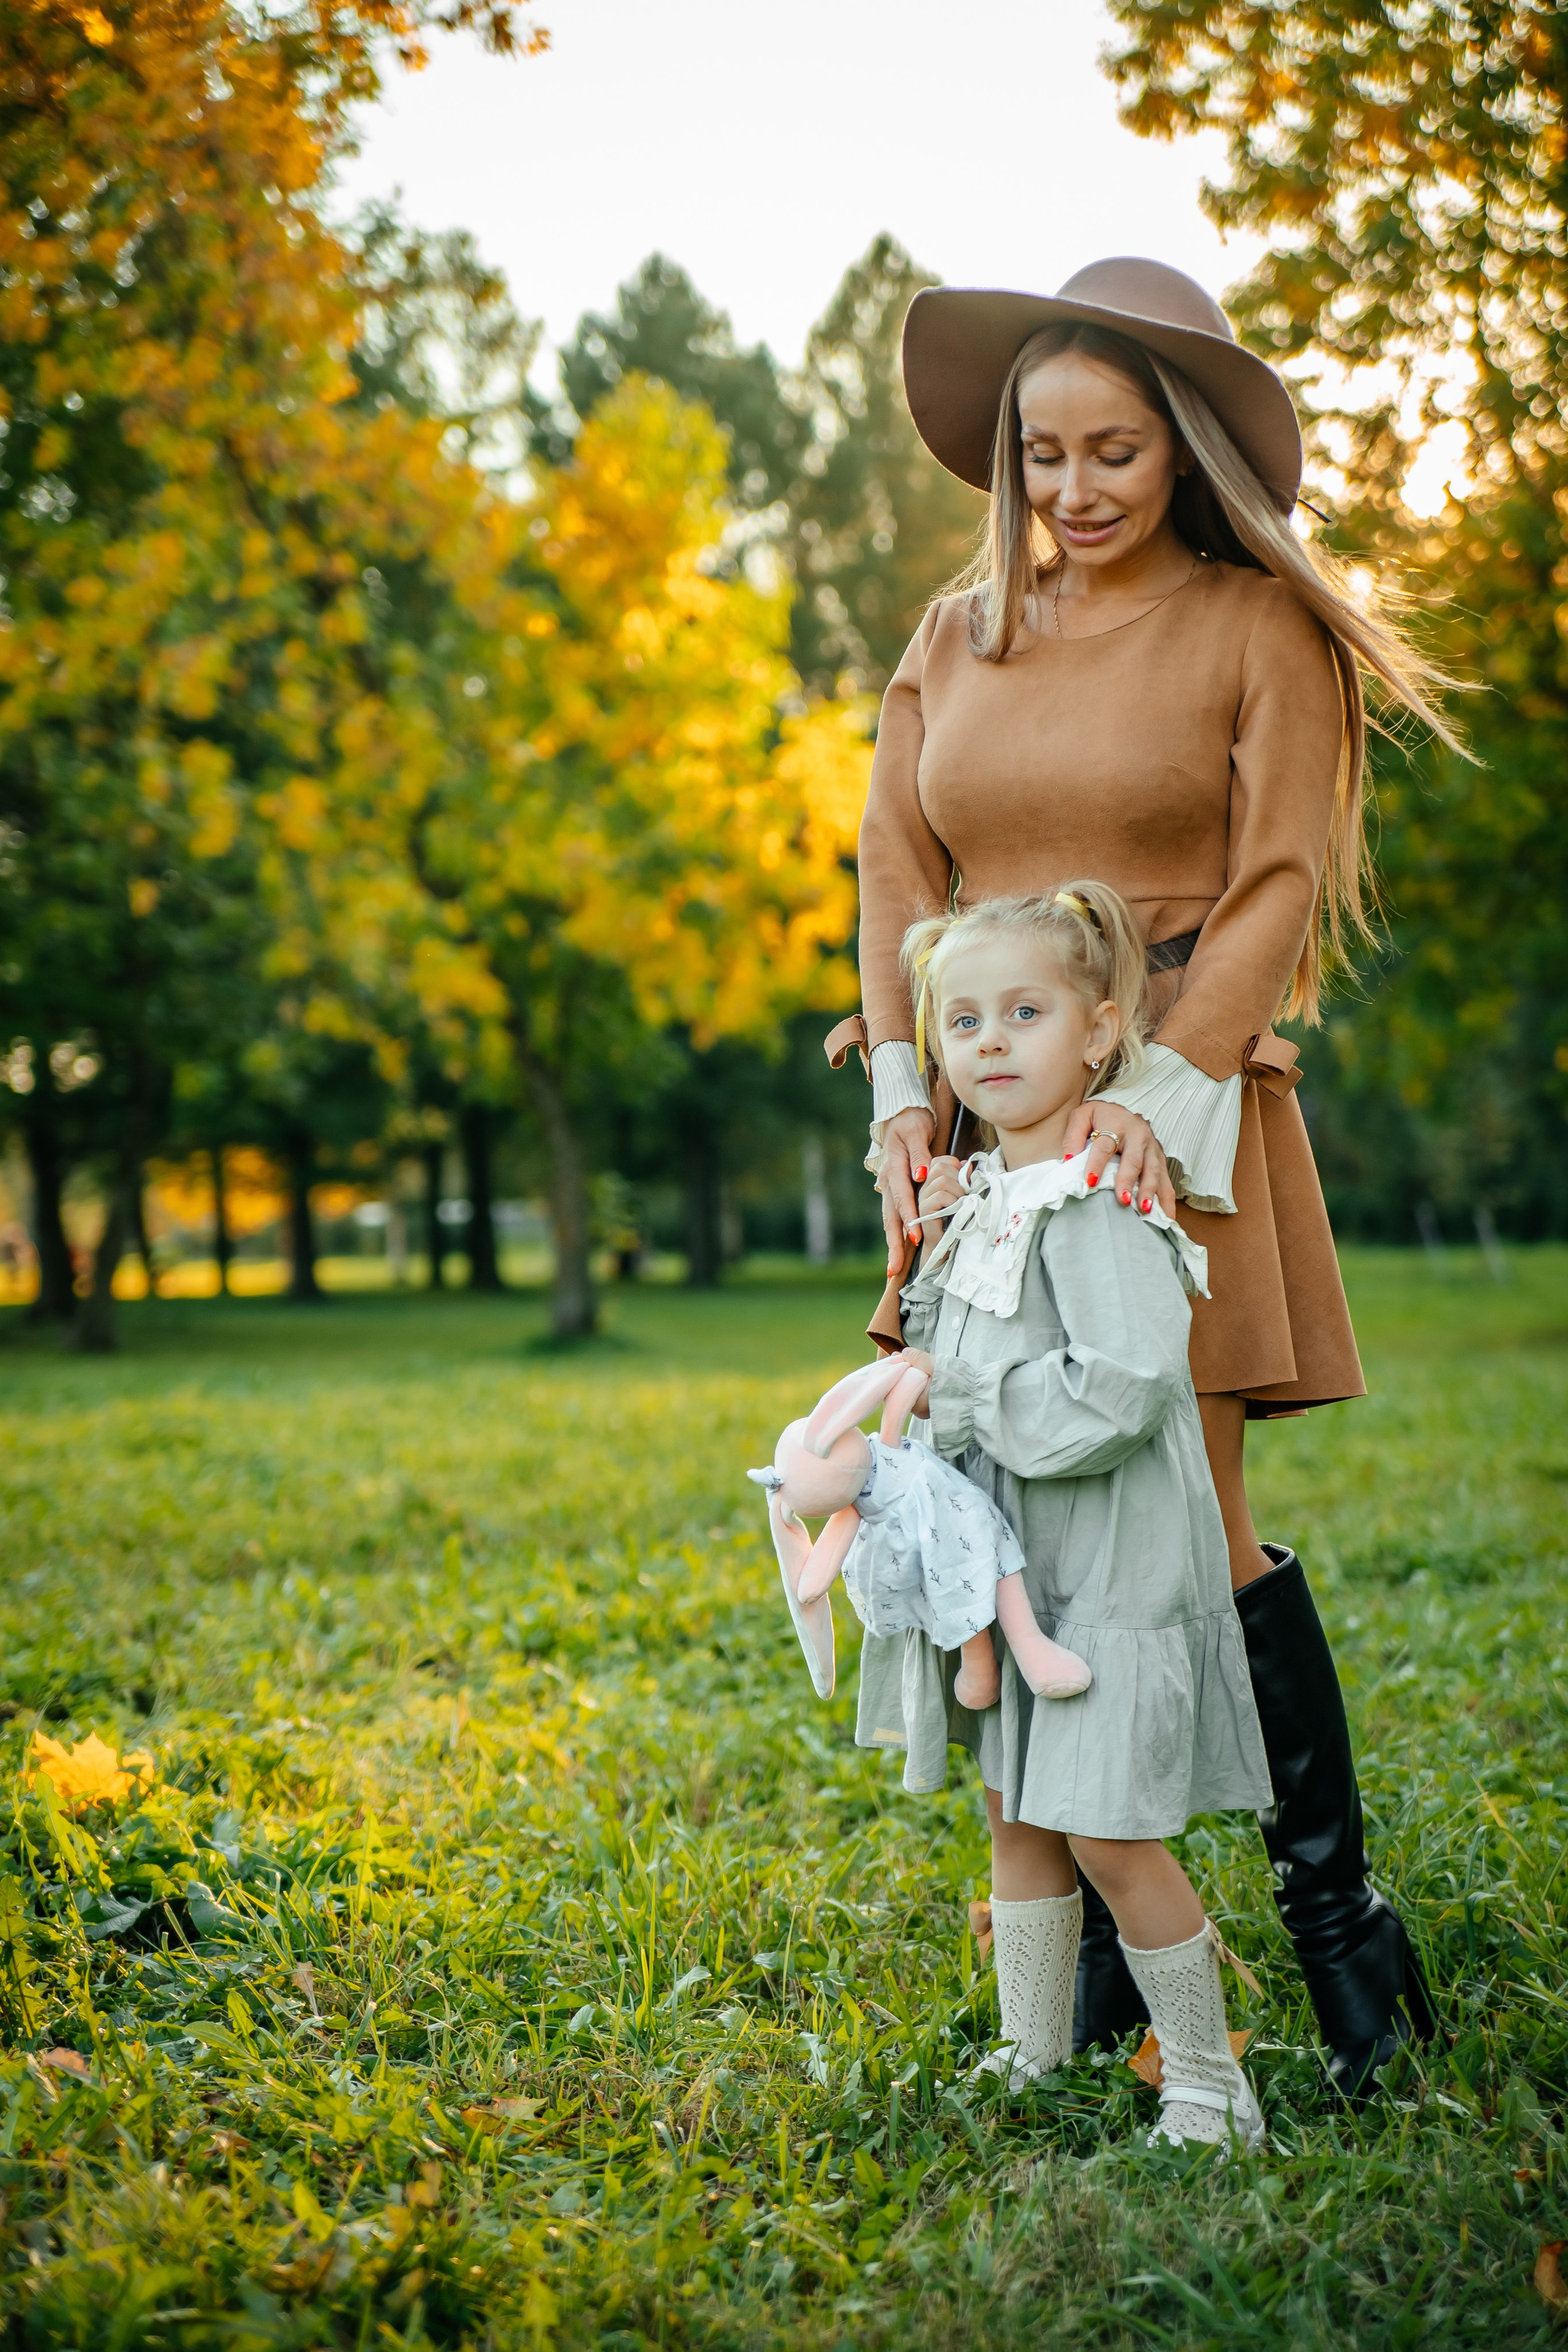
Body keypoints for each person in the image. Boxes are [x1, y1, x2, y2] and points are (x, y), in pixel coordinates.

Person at [840, 255, 1453, 2095]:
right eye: (1042, 456)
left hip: (1171, 1101)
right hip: (979, 1114)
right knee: (1009, 1514)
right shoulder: (955, 639)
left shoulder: (1261, 629)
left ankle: (1341, 1933)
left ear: (1181, 451)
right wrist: (896, 1100)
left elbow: (1276, 879)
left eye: (1114, 451)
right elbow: (890, 869)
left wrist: (1161, 1090)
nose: (1074, 492)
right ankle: (1091, 1967)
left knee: (1193, 1520)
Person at [859, 880, 1272, 2150]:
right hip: (1010, 1573)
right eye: (962, 1020)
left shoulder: (1095, 1192)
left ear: (1098, 1032)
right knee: (1016, 1812)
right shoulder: (967, 1193)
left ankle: (1206, 2078)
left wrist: (961, 1392)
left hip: (1104, 1568)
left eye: (1022, 1013)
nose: (986, 1042)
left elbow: (1129, 1387)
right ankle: (1030, 2049)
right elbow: (933, 1378)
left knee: (1105, 1830)